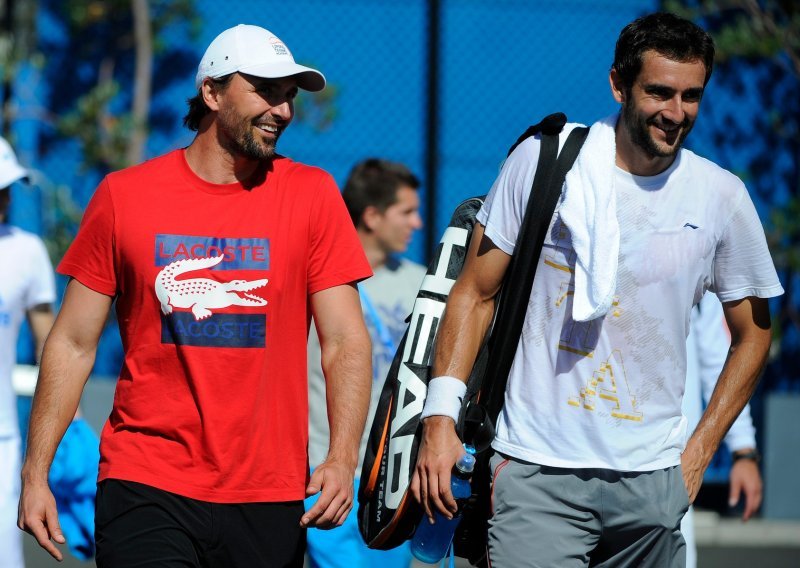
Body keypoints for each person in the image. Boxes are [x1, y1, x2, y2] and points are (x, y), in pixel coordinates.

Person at [411, 12, 783, 567]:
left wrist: (700, 453)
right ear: (618, 84)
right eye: (659, 92)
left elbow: (752, 335)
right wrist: (439, 419)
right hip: (537, 470)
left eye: (691, 96)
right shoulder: (544, 162)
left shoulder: (721, 197)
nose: (676, 113)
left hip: (654, 484)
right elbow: (475, 292)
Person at [18, 23, 373, 567]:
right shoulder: (124, 196)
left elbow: (346, 340)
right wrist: (36, 471)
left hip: (269, 493)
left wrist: (343, 456)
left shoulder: (313, 196)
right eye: (265, 90)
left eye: (289, 96)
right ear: (211, 92)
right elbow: (71, 343)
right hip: (146, 479)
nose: (282, 110)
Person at [307, 158, 425, 568]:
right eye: (407, 212)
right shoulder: (318, 280)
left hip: (394, 471)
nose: (418, 223)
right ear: (372, 216)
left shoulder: (421, 283)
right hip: (328, 466)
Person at [0, 136, 56, 568]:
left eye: (7, 188)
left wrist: (66, 416)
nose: (5, 198)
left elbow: (49, 341)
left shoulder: (27, 250)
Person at [682, 292, 762, 568]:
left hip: (669, 463)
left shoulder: (696, 251)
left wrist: (744, 451)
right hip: (574, 457)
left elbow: (720, 358)